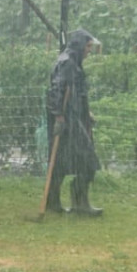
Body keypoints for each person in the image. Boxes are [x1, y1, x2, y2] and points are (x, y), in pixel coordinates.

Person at [45, 29, 102, 216]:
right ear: (79, 45)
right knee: (87, 160)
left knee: (62, 162)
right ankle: (78, 203)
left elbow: (76, 92)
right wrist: (59, 116)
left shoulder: (72, 62)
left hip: (73, 117)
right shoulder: (67, 63)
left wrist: (86, 112)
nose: (89, 50)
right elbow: (57, 90)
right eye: (88, 46)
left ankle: (56, 203)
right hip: (66, 120)